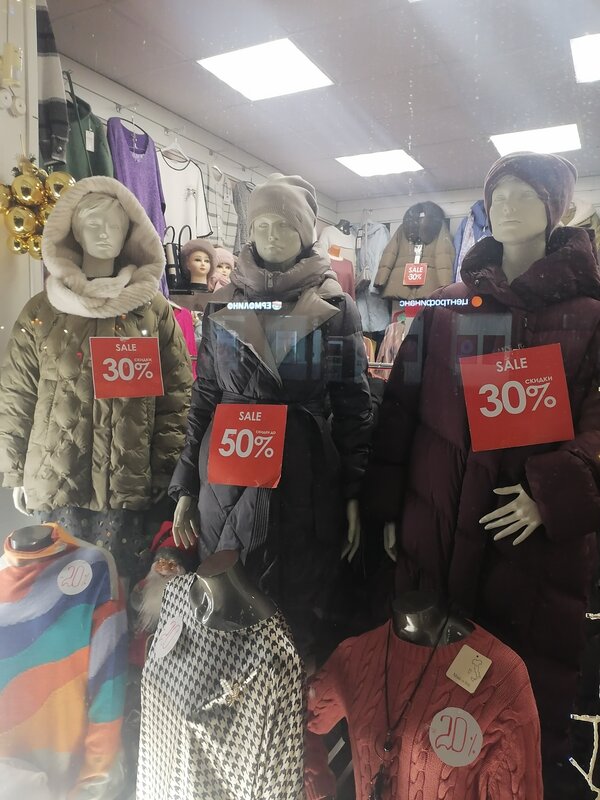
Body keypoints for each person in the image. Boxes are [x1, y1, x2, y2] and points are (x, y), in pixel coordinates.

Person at [364, 152, 600, 797]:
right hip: (436, 516)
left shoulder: (589, 314)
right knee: (426, 694)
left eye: (525, 195)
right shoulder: (448, 305)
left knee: (513, 714)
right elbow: (401, 407)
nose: (506, 208)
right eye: (497, 196)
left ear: (556, 211)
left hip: (523, 535)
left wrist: (553, 492)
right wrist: (388, 504)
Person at [169, 173, 372, 658]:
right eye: (260, 225)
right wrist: (186, 483)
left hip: (304, 473)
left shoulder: (335, 306)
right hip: (227, 474)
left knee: (298, 604)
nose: (270, 235)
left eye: (283, 225)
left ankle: (289, 695)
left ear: (304, 234)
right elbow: (205, 396)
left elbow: (352, 402)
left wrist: (355, 492)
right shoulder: (222, 305)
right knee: (226, 599)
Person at [0, 176, 192, 577]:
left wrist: (166, 468)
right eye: (93, 224)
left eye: (115, 225)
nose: (105, 233)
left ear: (129, 234)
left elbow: (176, 397)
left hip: (129, 488)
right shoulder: (42, 311)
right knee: (57, 597)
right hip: (59, 481)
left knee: (120, 594)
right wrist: (15, 469)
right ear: (74, 230)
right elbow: (17, 394)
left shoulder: (153, 312)